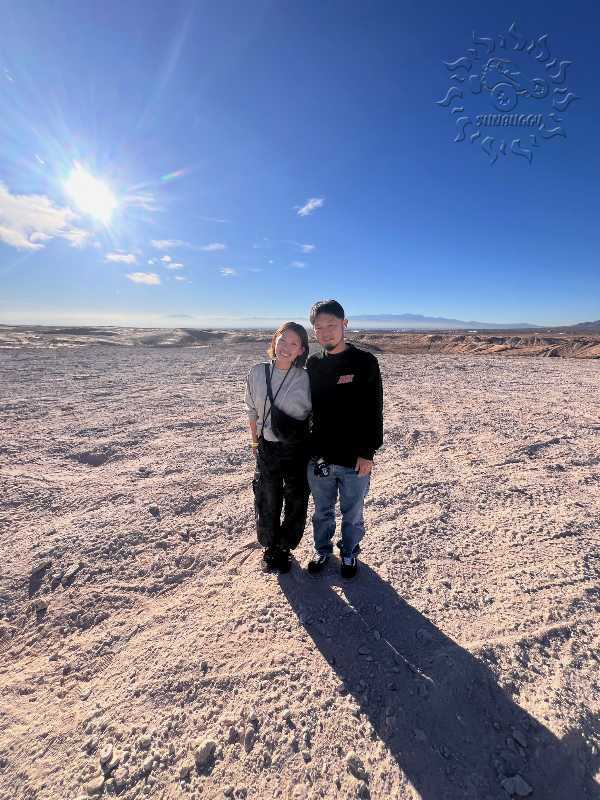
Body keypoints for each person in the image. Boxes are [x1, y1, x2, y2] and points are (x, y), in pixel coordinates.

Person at [305, 300, 383, 578]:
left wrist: (368, 453)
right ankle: (321, 550)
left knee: (353, 513)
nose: (325, 332)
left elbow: (374, 409)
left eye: (331, 325)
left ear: (344, 324)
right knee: (322, 511)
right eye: (319, 327)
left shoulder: (364, 362)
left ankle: (349, 553)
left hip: (354, 458)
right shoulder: (313, 363)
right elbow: (307, 409)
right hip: (320, 457)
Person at [244, 322, 312, 573]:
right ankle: (270, 546)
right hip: (268, 447)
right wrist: (255, 441)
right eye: (282, 340)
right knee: (267, 496)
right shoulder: (257, 372)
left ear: (301, 350)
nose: (286, 347)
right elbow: (251, 410)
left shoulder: (306, 378)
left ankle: (285, 548)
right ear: (274, 340)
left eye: (293, 343)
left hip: (297, 448)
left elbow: (315, 414)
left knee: (296, 498)